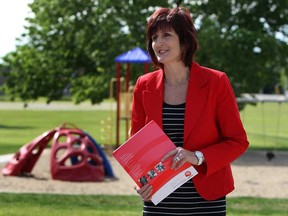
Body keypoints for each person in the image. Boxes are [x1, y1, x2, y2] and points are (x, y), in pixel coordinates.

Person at [130, 7, 249, 216]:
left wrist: (197, 157)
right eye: (154, 37)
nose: (158, 43)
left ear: (184, 40)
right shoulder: (143, 85)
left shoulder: (216, 82)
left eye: (167, 35)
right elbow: (136, 145)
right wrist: (140, 181)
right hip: (158, 200)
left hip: (205, 201)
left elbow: (237, 141)